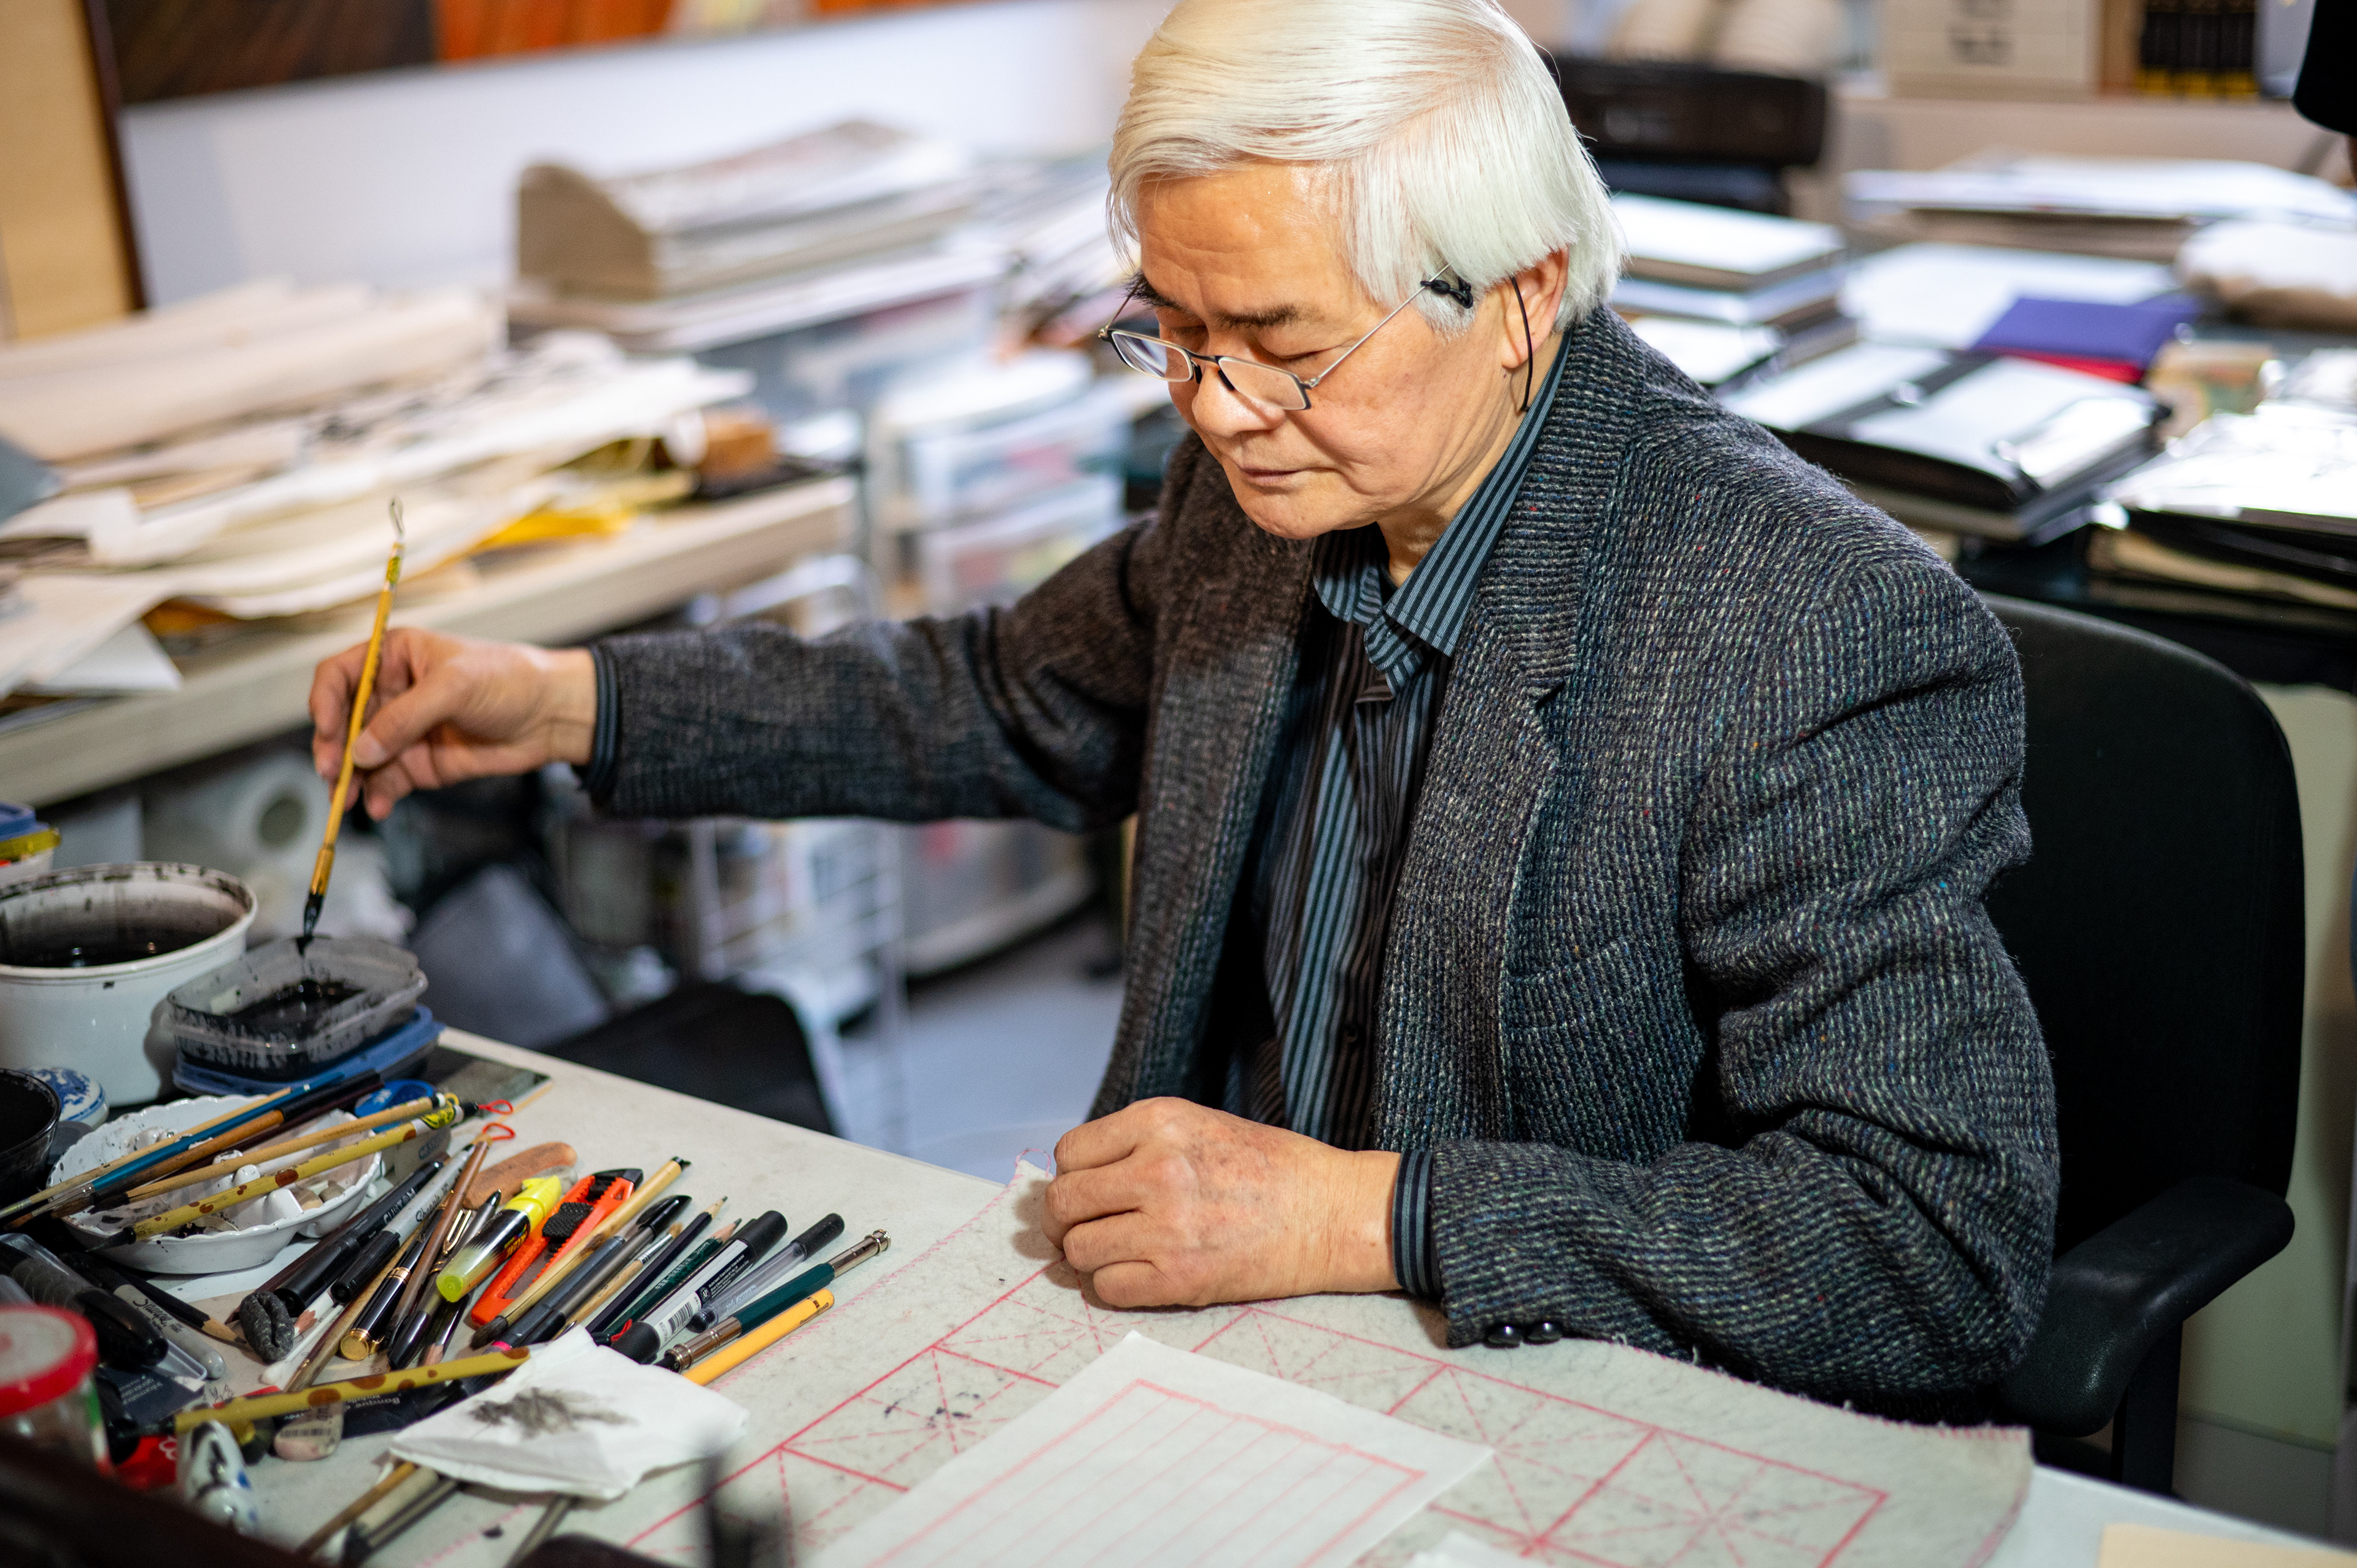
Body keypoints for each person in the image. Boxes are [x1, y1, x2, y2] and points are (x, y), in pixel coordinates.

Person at [312, 0, 2057, 1417]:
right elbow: (1000, 692)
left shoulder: (1804, 623)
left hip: (1554, 1395)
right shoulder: (1267, 490)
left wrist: (1370, 1210)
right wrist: (563, 701)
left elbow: (1933, 1240)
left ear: (1521, 296)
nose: (1220, 411)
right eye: (1175, 332)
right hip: (1215, 1364)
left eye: (1287, 344)